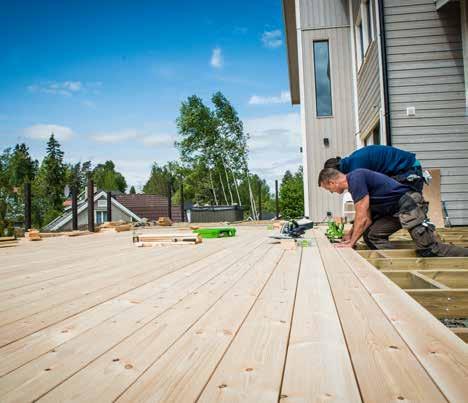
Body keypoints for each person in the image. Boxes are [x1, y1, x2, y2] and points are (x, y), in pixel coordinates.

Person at [317, 167, 468, 257]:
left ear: (332, 182)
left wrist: (351, 244)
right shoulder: (355, 183)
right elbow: (367, 219)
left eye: (328, 188)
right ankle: (395, 263)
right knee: (371, 236)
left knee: (430, 250)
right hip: (395, 211)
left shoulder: (355, 178)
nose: (331, 192)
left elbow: (362, 217)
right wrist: (350, 237)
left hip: (408, 205)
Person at [324, 145, 425, 192]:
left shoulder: (356, 169)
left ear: (335, 173)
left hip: (408, 170)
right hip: (405, 169)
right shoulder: (352, 161)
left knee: (409, 210)